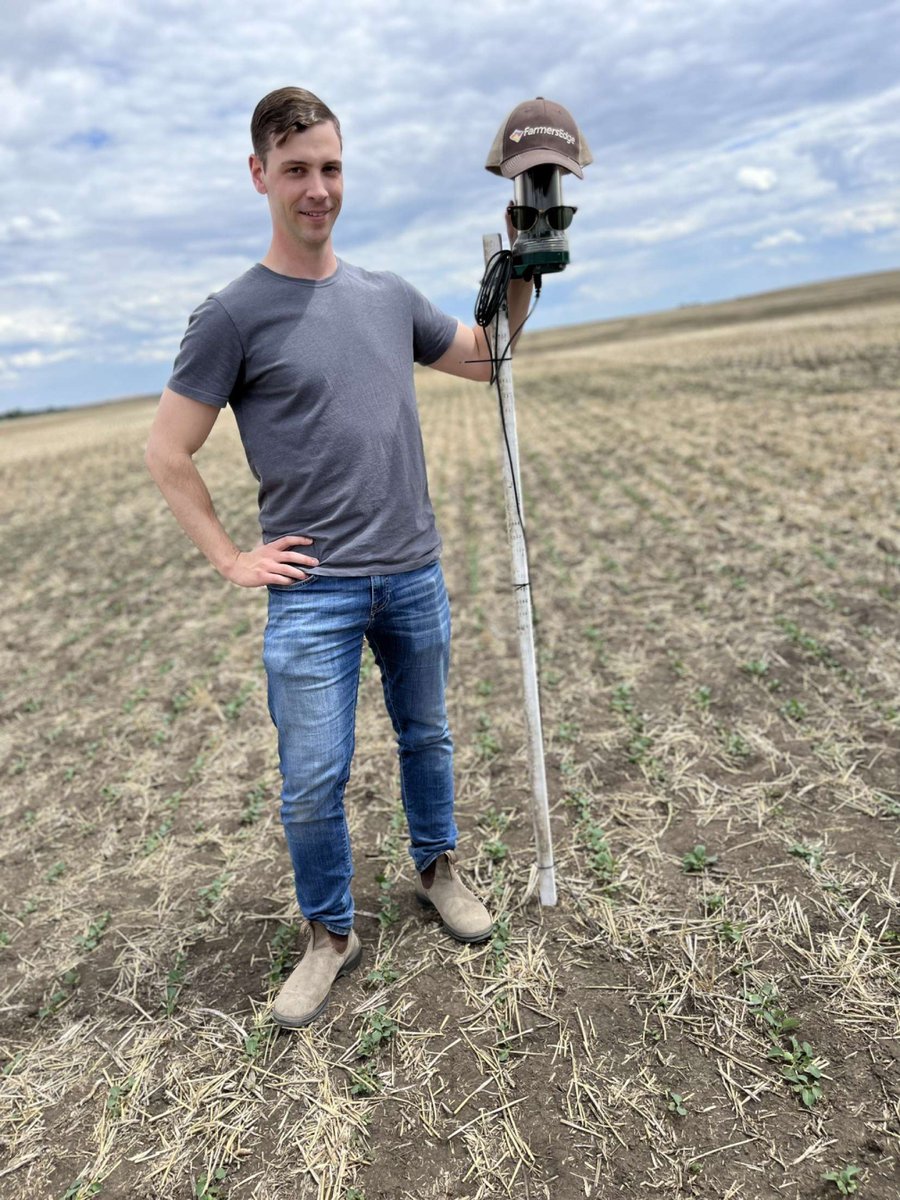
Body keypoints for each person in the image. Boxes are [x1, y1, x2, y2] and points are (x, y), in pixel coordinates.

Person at [145, 87, 533, 1029]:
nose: (317, 189)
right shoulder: (231, 317)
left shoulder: (387, 294)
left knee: (427, 738)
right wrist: (234, 558)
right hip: (313, 594)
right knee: (313, 779)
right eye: (296, 171)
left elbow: (489, 357)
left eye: (330, 167)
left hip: (411, 569)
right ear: (258, 176)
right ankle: (329, 933)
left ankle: (437, 872)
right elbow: (167, 450)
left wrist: (528, 258)